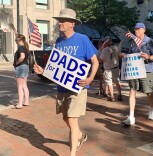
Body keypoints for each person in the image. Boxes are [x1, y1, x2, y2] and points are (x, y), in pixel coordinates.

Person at [33, 8, 99, 156]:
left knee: (72, 119)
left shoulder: (83, 39)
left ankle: (72, 153)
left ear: (72, 24)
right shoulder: (59, 41)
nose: (59, 23)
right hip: (62, 87)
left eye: (63, 20)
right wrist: (43, 71)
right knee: (65, 117)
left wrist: (90, 78)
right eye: (59, 20)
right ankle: (80, 137)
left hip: (78, 88)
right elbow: (56, 67)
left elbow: (95, 62)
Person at [120, 22, 153, 126]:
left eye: (139, 29)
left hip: (147, 70)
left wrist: (148, 57)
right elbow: (130, 55)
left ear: (144, 30)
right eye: (135, 29)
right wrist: (124, 55)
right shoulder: (132, 42)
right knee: (132, 91)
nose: (137, 31)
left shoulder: (149, 41)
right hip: (135, 70)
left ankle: (151, 110)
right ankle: (131, 116)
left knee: (149, 92)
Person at [13, 34, 30, 109]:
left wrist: (16, 63)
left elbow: (22, 57)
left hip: (20, 67)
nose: (15, 41)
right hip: (25, 66)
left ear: (19, 40)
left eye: (16, 40)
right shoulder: (25, 47)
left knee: (19, 86)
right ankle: (26, 101)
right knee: (24, 85)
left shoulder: (21, 48)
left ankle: (20, 104)